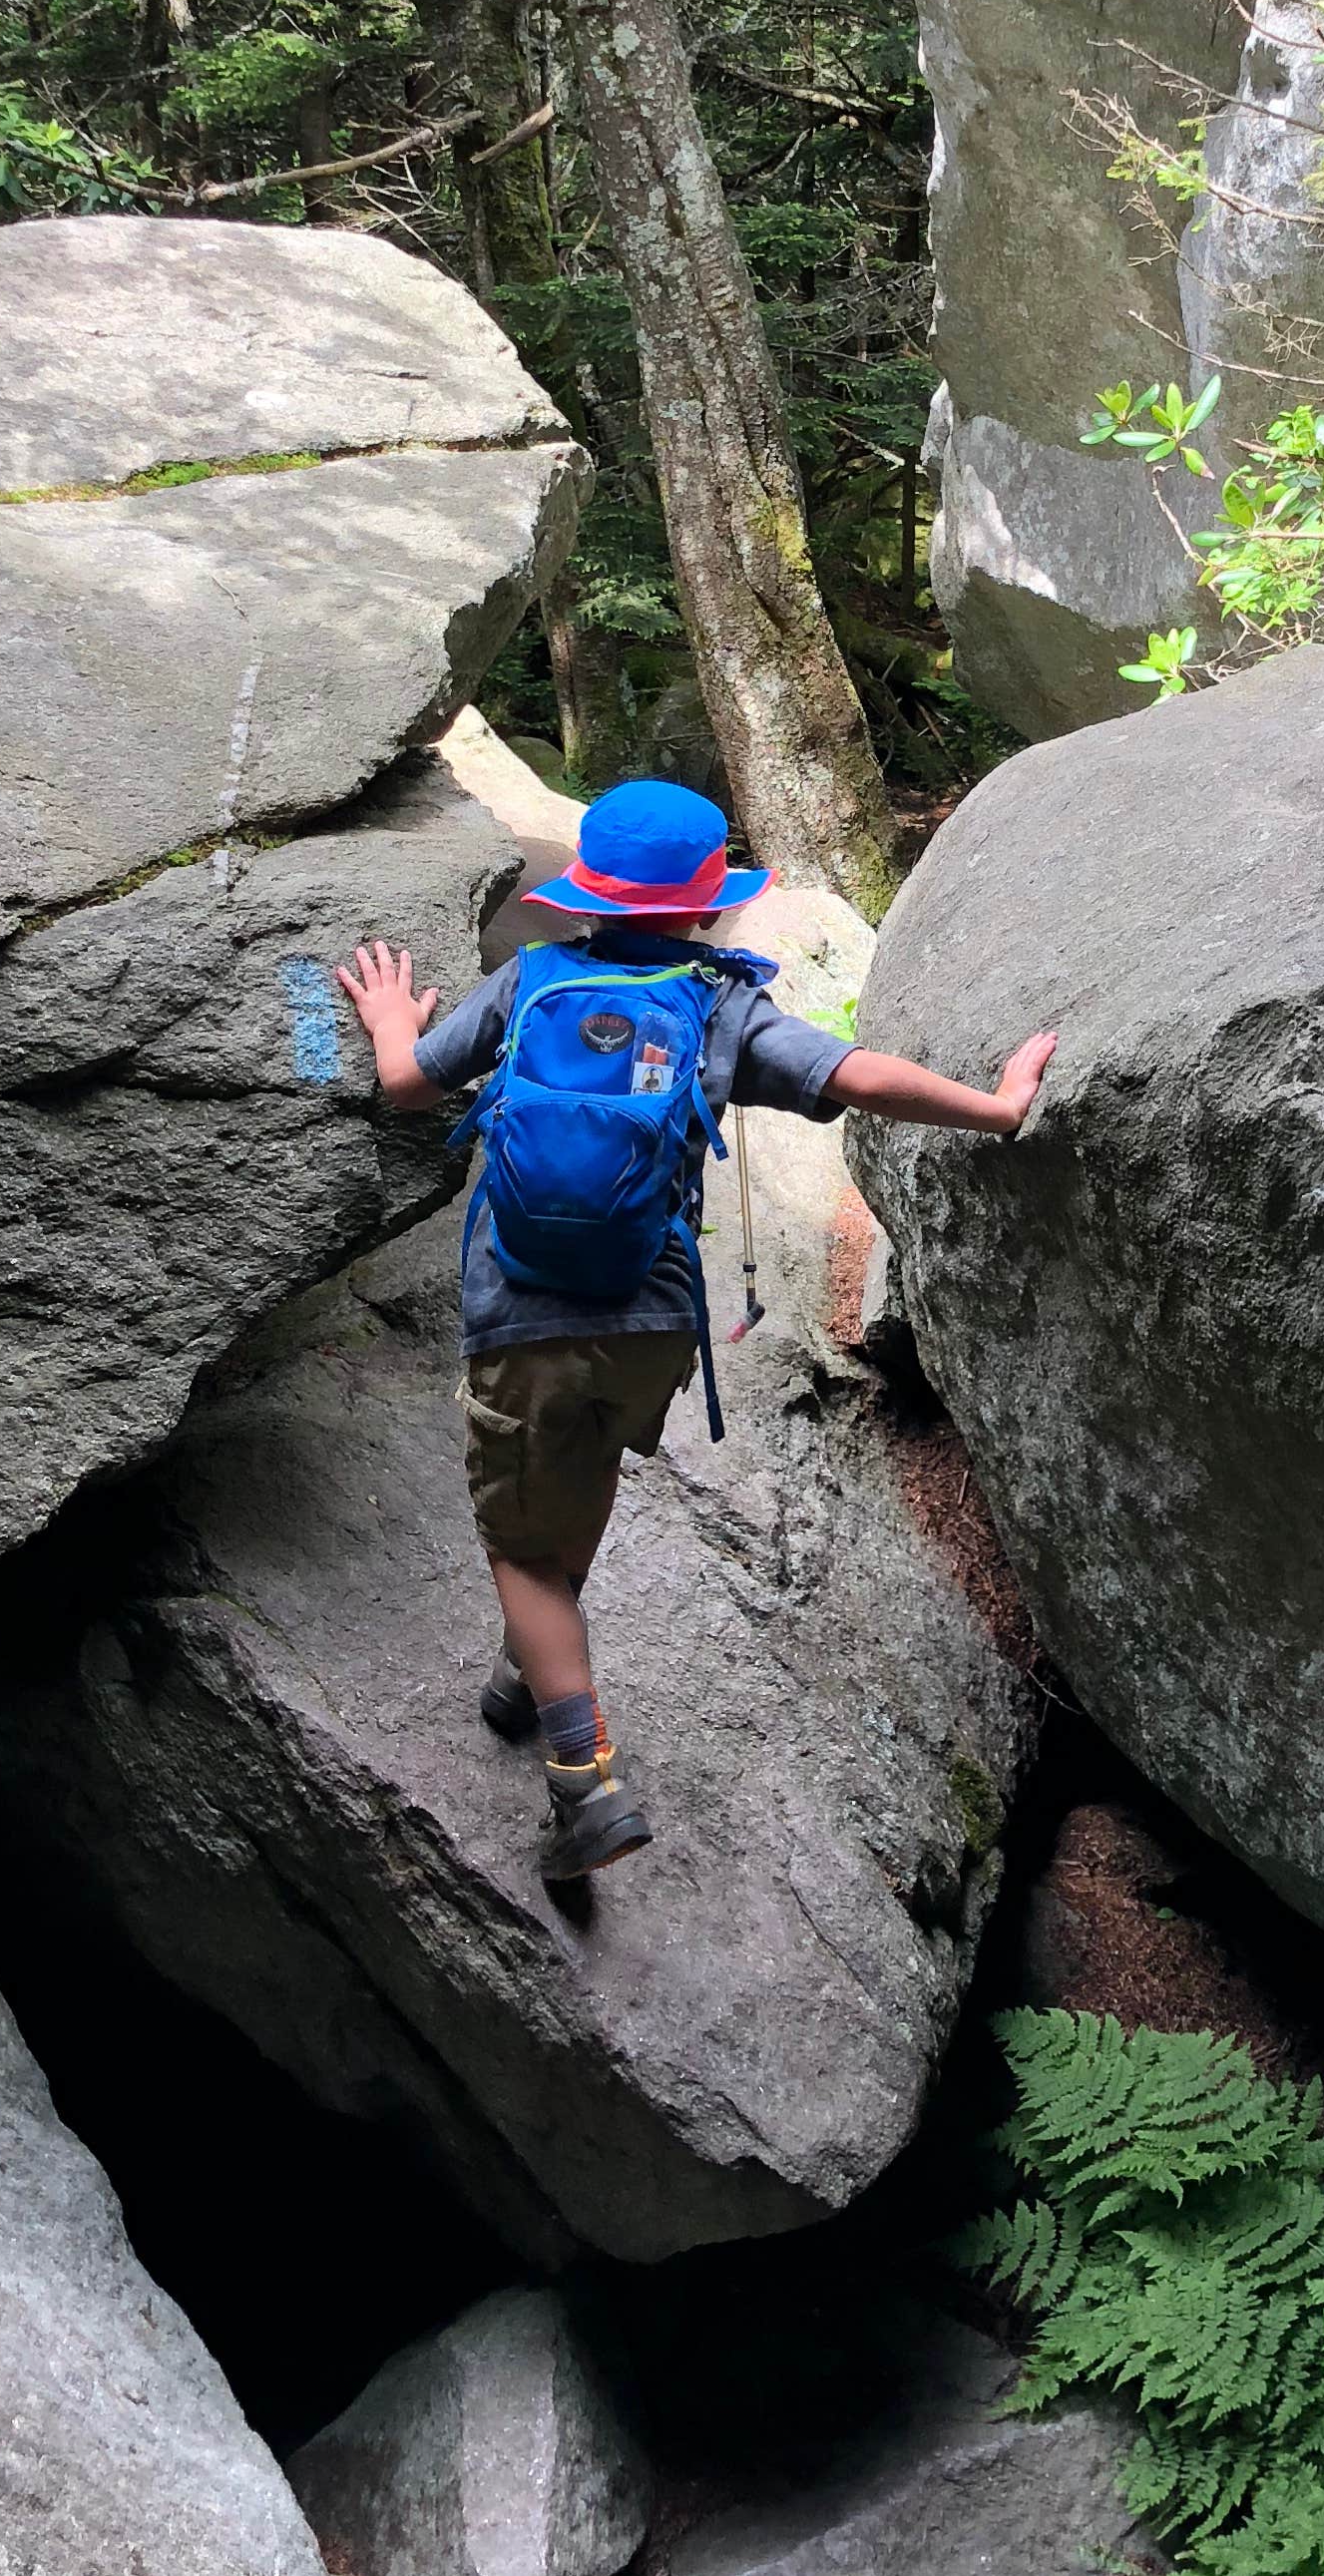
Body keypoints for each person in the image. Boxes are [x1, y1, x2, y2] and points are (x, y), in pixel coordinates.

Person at [337, 776, 1055, 1883]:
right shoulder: (721, 1008)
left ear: (589, 892)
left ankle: (584, 1786)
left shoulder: (531, 980)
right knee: (577, 1481)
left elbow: (404, 1086)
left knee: (522, 1543)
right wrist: (997, 1107)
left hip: (524, 1323)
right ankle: (533, 1672)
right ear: (705, 907)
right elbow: (854, 1075)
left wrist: (392, 1018)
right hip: (651, 1325)